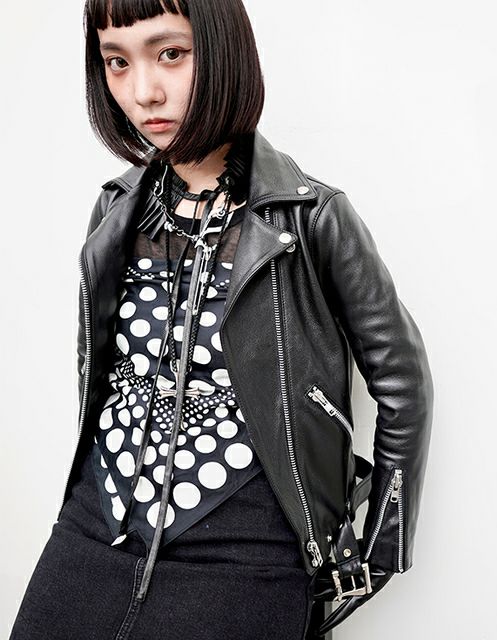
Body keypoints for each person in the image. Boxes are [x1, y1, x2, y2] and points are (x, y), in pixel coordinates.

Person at [9, 1, 434, 638]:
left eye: (170, 54)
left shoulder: (310, 215)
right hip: (96, 525)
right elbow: (100, 367)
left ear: (222, 51)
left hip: (247, 547)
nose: (143, 91)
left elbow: (402, 380)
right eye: (117, 62)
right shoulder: (116, 208)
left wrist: (380, 547)